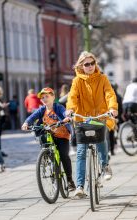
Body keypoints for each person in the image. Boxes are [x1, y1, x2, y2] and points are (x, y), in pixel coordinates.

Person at [65, 51, 118, 197]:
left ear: (95, 64)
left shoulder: (102, 78)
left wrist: (112, 108)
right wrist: (70, 109)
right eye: (86, 64)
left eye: (92, 63)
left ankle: (105, 165)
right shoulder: (77, 81)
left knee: (101, 141)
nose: (90, 66)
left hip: (100, 116)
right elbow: (72, 97)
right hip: (83, 119)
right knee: (81, 152)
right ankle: (80, 186)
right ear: (81, 66)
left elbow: (109, 93)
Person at [21, 87, 76, 191]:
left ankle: (69, 181)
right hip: (49, 134)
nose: (44, 99)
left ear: (53, 97)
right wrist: (26, 123)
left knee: (64, 155)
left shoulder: (58, 107)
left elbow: (64, 113)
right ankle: (47, 159)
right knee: (43, 142)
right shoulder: (42, 109)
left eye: (47, 96)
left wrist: (66, 118)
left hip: (62, 136)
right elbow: (33, 116)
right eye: (42, 98)